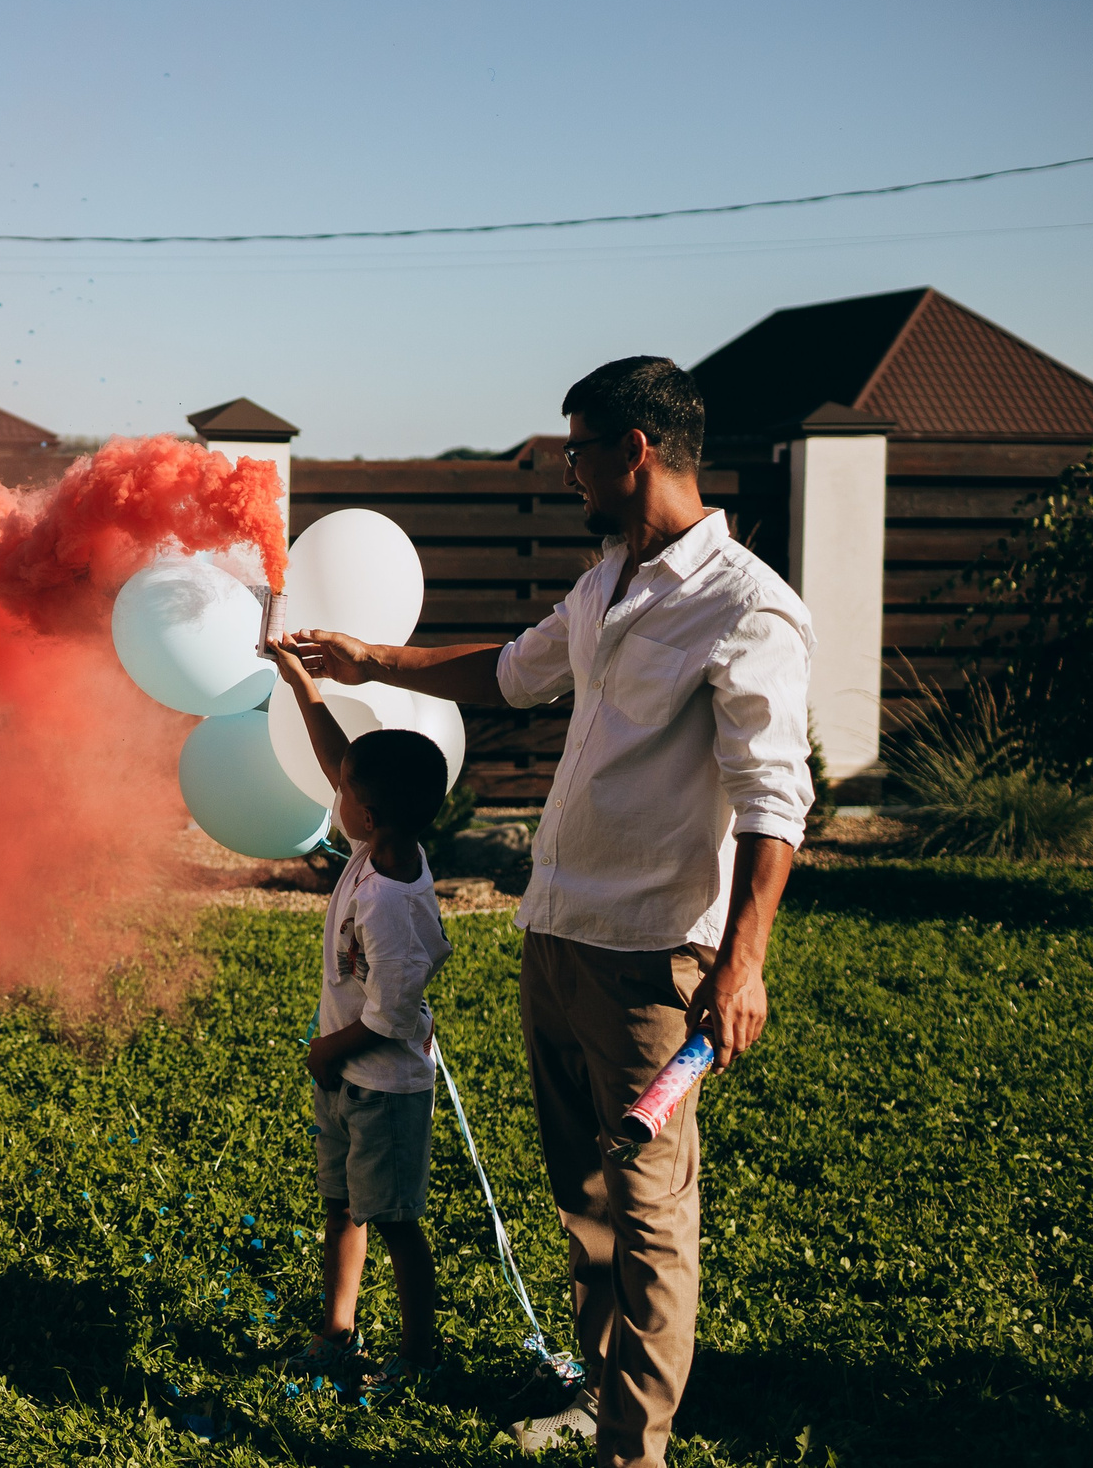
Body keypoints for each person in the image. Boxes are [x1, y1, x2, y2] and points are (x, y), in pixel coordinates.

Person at [275, 357, 813, 1468]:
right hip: (555, 940)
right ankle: (594, 1390)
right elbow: (511, 673)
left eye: (576, 451)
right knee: (584, 1204)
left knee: (651, 1215)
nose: (565, 471)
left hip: (650, 962)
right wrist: (372, 659)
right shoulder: (606, 581)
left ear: (635, 453)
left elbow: (773, 796)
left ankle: (634, 1450)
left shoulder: (749, 606)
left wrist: (743, 959)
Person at [264, 692, 454, 1406]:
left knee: (397, 1222)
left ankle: (419, 1354)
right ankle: (338, 1331)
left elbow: (392, 1017)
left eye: (345, 791)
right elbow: (338, 759)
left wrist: (327, 1051)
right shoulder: (379, 849)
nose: (334, 792)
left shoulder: (393, 902)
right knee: (340, 1206)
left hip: (380, 1084)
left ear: (366, 814)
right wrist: (300, 686)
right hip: (349, 1078)